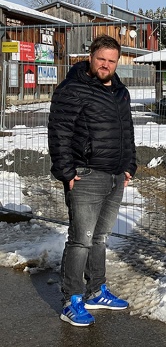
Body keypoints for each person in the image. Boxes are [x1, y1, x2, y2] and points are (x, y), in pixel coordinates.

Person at [48, 34, 137, 327]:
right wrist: (66, 171)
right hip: (86, 174)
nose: (106, 65)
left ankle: (96, 290)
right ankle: (72, 299)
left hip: (114, 175)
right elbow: (59, 132)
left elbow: (127, 131)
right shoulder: (73, 88)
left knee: (100, 238)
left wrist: (129, 165)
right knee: (81, 240)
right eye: (101, 59)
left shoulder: (120, 91)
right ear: (91, 56)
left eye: (112, 61)